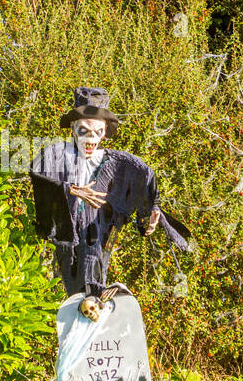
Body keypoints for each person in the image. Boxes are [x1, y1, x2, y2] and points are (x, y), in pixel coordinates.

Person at [29, 87, 191, 301]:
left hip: (96, 236)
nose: (90, 138)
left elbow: (145, 179)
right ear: (72, 128)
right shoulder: (56, 154)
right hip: (65, 236)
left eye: (97, 132)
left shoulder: (119, 163)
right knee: (66, 285)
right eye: (83, 131)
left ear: (105, 132)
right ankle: (82, 302)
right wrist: (72, 190)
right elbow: (38, 176)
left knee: (92, 270)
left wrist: (150, 212)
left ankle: (96, 299)